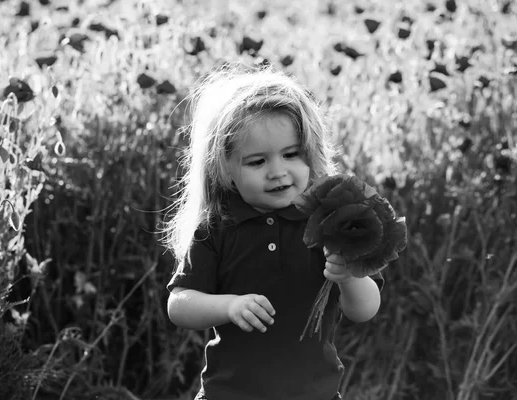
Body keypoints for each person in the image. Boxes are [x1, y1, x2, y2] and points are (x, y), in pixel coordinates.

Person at [164, 63, 384, 400]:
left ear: (312, 154)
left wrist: (349, 276)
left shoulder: (328, 221)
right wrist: (228, 306)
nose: (277, 172)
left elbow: (364, 310)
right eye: (257, 162)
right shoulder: (218, 228)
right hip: (230, 393)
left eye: (291, 154)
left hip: (314, 393)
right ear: (224, 169)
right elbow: (179, 304)